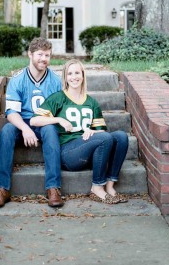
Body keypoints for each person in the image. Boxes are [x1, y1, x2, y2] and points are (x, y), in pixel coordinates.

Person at [31, 59, 129, 204]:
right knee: (104, 138)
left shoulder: (91, 102)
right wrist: (58, 119)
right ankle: (97, 187)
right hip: (69, 154)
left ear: (83, 75)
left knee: (121, 137)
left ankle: (109, 186)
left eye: (77, 72)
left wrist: (92, 131)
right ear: (65, 77)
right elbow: (34, 120)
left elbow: (102, 131)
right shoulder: (59, 98)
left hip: (89, 152)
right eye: (70, 73)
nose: (74, 77)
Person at [0, 38, 65, 208]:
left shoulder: (56, 81)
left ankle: (53, 188)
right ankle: (1, 189)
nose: (44, 59)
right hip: (22, 122)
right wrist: (25, 129)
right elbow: (11, 113)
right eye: (40, 54)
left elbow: (60, 110)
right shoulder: (18, 80)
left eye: (47, 55)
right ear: (30, 54)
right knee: (7, 131)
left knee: (51, 130)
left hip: (45, 122)